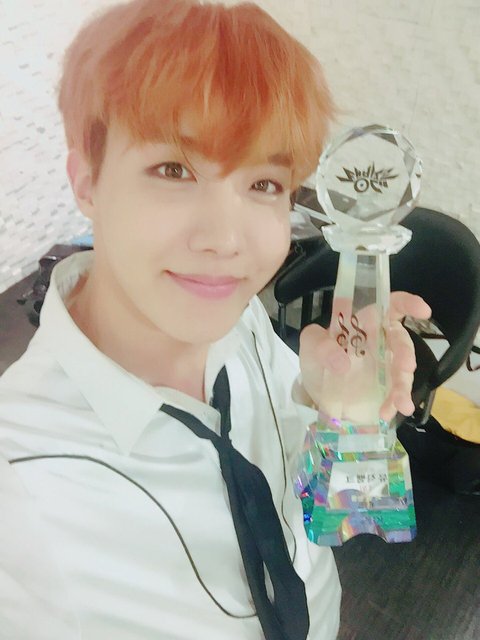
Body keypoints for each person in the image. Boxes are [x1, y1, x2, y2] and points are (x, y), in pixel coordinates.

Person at [0, 1, 431, 638]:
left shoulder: (242, 323)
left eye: (264, 184)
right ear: (88, 181)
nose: (227, 240)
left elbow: (336, 514)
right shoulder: (21, 496)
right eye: (174, 170)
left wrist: (345, 414)